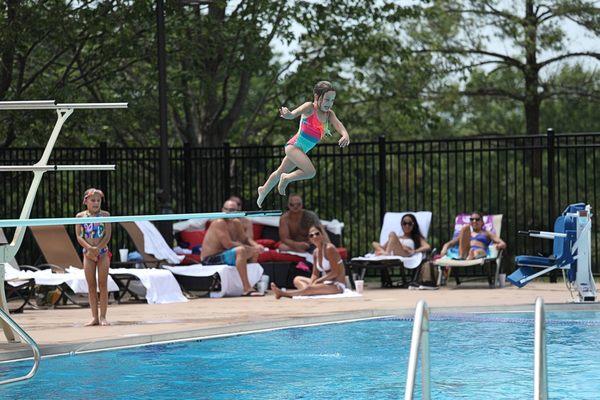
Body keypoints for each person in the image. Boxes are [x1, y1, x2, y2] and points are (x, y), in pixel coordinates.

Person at [256, 81, 350, 207]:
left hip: (300, 150)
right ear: (317, 97)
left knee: (279, 172)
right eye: (327, 99)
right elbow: (293, 114)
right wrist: (288, 114)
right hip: (294, 147)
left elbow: (338, 124)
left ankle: (263, 190)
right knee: (310, 172)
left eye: (332, 100)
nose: (329, 103)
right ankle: (287, 178)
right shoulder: (310, 107)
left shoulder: (329, 114)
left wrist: (345, 134)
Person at [201, 199, 264, 296]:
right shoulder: (219, 222)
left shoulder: (236, 222)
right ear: (223, 210)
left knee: (254, 251)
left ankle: (252, 284)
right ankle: (246, 288)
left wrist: (256, 246)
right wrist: (246, 247)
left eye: (234, 210)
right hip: (210, 259)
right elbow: (228, 245)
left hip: (224, 254)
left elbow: (245, 238)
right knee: (241, 250)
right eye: (229, 210)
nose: (232, 213)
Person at [271, 225, 346, 299]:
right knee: (297, 279)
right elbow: (315, 274)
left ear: (322, 235)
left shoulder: (329, 248)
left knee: (310, 288)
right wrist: (312, 283)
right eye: (311, 235)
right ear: (310, 239)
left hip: (337, 285)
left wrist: (318, 281)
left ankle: (284, 294)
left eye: (317, 234)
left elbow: (335, 272)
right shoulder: (315, 252)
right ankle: (308, 291)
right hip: (325, 283)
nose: (314, 236)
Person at [75, 188, 111, 326]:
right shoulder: (80, 217)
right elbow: (79, 236)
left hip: (102, 253)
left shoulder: (106, 215)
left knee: (103, 284)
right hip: (88, 253)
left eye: (98, 200)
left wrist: (98, 248)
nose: (96, 203)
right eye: (93, 200)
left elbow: (107, 235)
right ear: (86, 201)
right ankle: (94, 317)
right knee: (91, 286)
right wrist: (90, 249)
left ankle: (103, 317)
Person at [440, 211, 506, 260]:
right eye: (472, 219)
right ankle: (467, 255)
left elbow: (503, 243)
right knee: (465, 228)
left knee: (479, 252)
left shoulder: (487, 233)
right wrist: (444, 248)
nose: (474, 221)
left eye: (477, 219)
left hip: (480, 251)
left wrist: (499, 245)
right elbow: (451, 243)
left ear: (482, 222)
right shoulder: (466, 234)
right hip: (465, 252)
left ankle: (471, 255)